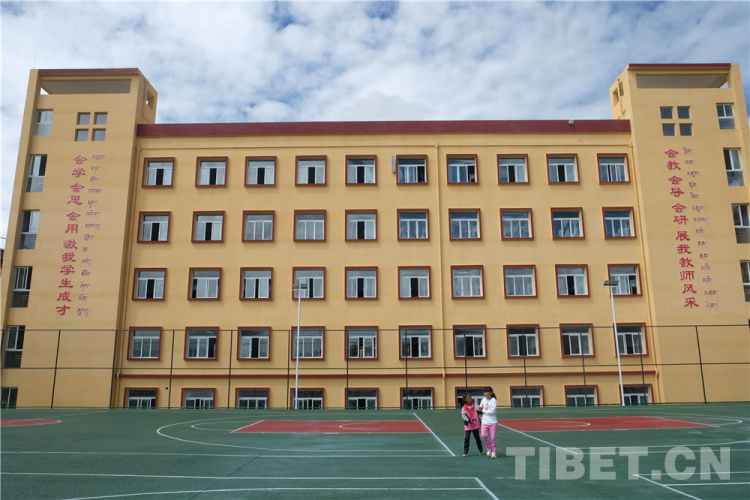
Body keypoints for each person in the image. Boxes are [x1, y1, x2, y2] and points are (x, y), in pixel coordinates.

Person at [478, 386, 498, 458]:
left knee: (493, 438)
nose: (485, 394)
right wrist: (480, 409)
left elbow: (492, 411)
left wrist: (483, 410)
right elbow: (480, 408)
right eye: (484, 392)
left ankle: (494, 452)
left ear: (491, 392)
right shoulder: (483, 400)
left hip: (493, 422)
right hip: (484, 422)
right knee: (483, 436)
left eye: (487, 392)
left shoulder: (494, 400)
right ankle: (489, 448)